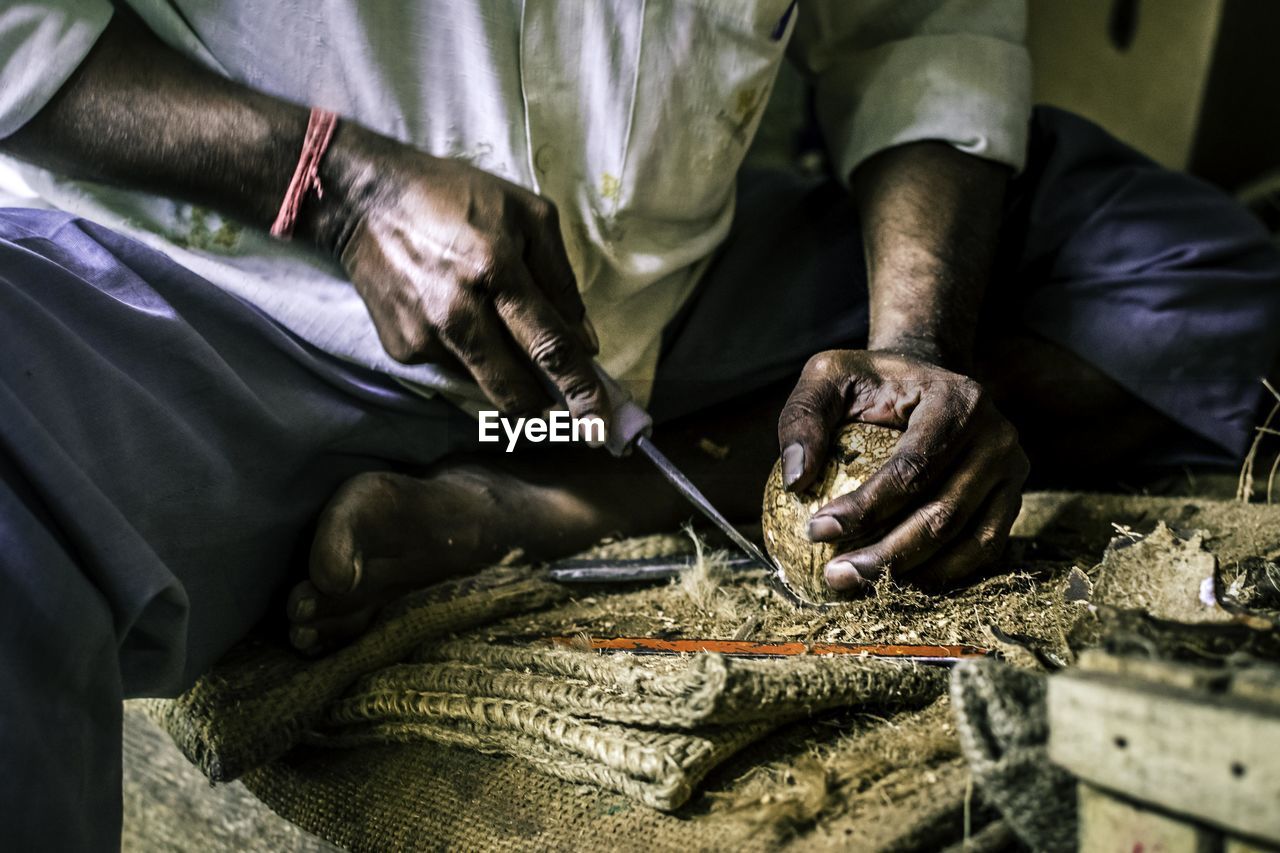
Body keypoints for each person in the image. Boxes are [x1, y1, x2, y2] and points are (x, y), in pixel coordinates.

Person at [1, 1, 1278, 847]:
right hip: (211, 300)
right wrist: (337, 188)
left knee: (1197, 281)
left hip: (659, 316)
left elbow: (917, 23)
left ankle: (560, 494)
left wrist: (910, 342)